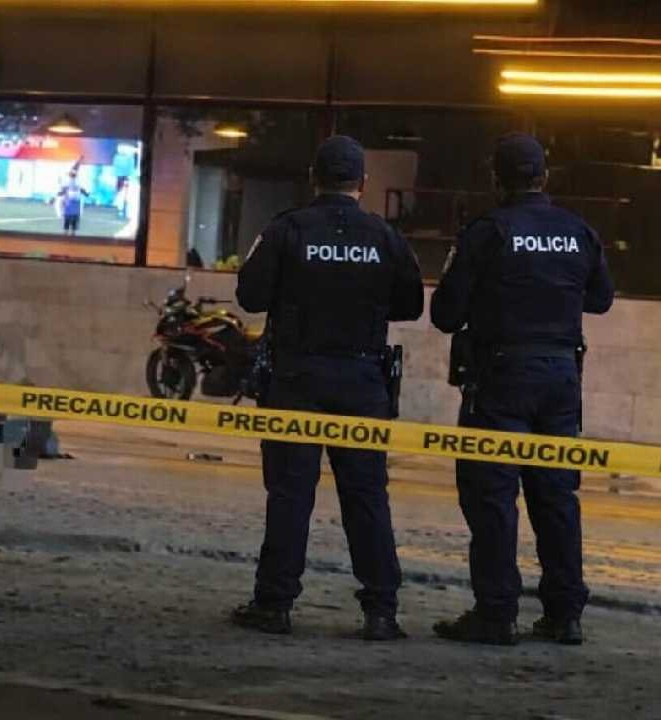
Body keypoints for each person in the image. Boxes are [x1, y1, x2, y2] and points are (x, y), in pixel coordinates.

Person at [231, 135, 424, 641]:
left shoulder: (288, 229)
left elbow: (250, 295)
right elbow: (410, 305)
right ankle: (380, 610)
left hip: (297, 379)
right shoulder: (384, 235)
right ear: (363, 182)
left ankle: (274, 605)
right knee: (366, 497)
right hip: (362, 381)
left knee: (290, 495)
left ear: (312, 177)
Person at [430, 133, 613, 646]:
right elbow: (600, 300)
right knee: (556, 495)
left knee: (492, 495)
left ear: (497, 179)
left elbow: (445, 313)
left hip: (501, 377)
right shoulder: (577, 231)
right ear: (544, 177)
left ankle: (495, 613)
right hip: (560, 379)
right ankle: (564, 614)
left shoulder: (487, 231)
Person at [54, 171, 90, 236]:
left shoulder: (74, 182)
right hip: (71, 203)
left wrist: (59, 193)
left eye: (72, 175)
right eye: (72, 175)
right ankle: (70, 233)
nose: (72, 176)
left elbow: (62, 191)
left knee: (70, 219)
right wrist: (86, 194)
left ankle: (68, 233)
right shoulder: (73, 182)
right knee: (71, 219)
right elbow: (82, 190)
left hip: (72, 203)